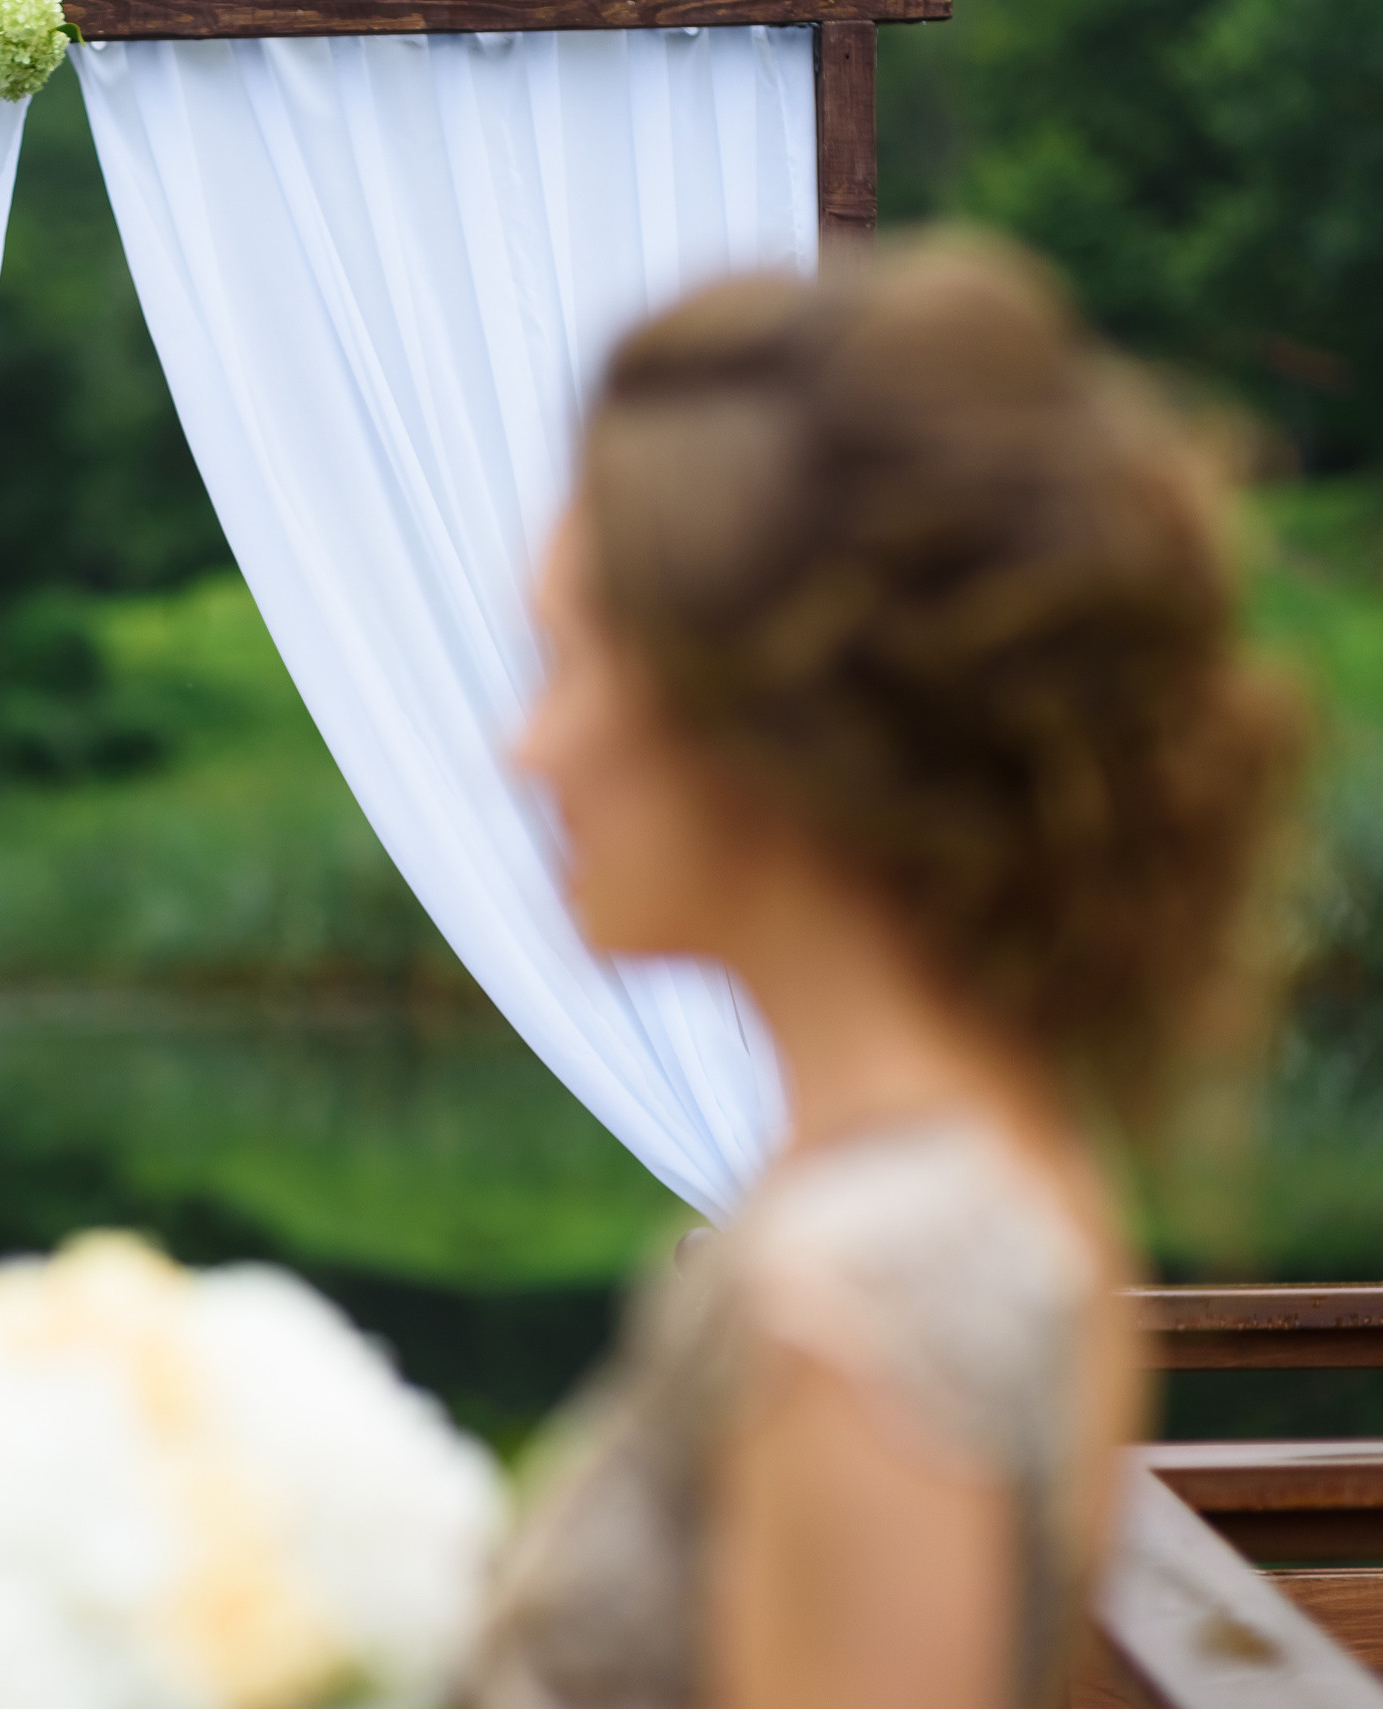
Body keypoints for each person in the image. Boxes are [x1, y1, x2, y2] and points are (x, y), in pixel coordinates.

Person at [467, 241, 1301, 1709]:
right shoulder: (999, 1165)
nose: (526, 750)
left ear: (776, 717)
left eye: (574, 664)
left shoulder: (857, 1301)